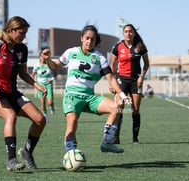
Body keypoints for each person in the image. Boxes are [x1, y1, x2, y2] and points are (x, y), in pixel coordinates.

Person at [45, 25, 131, 154]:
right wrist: (48, 59)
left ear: (96, 41)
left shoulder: (99, 58)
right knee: (72, 122)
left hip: (90, 98)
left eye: (93, 39)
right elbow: (55, 67)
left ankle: (107, 143)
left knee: (116, 107)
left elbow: (111, 78)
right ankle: (71, 153)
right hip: (72, 96)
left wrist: (123, 95)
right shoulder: (71, 52)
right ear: (82, 38)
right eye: (87, 38)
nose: (89, 41)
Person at [0, 16, 47, 171]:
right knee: (11, 116)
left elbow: (23, 74)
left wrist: (37, 85)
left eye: (25, 33)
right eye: (21, 33)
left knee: (40, 120)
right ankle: (11, 160)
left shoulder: (21, 49)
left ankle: (27, 151)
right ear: (11, 30)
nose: (24, 37)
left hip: (12, 93)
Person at [110, 24, 149, 144]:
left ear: (134, 33)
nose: (128, 33)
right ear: (123, 33)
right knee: (119, 108)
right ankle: (116, 137)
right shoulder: (117, 46)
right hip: (121, 80)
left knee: (135, 109)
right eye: (126, 31)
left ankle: (135, 138)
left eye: (131, 31)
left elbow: (146, 64)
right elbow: (112, 65)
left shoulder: (140, 46)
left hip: (135, 81)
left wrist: (141, 77)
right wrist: (112, 83)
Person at [32, 48, 56, 119]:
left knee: (49, 102)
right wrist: (33, 82)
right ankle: (45, 116)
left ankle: (51, 106)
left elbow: (55, 72)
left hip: (48, 85)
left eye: (43, 56)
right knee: (42, 102)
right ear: (39, 57)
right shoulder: (37, 65)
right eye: (41, 56)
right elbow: (33, 74)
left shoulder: (49, 64)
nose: (42, 58)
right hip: (40, 86)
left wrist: (52, 79)